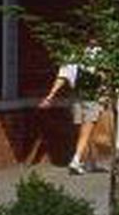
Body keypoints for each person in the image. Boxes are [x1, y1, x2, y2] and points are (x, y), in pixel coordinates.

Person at [39, 43, 106, 175]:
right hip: (92, 96)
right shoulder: (98, 52)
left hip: (75, 96)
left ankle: (91, 162)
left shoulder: (71, 55)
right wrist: (105, 93)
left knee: (85, 130)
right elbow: (103, 74)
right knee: (86, 131)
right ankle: (75, 161)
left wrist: (50, 96)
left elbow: (62, 78)